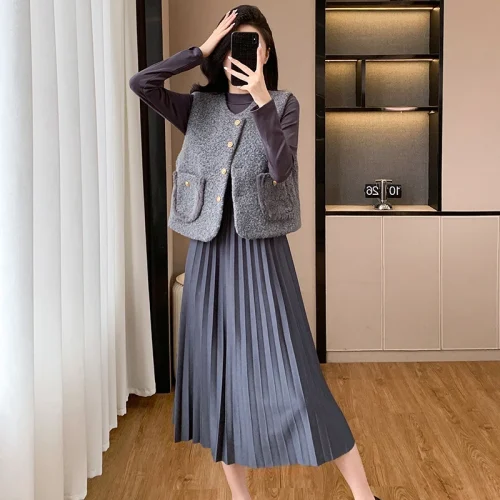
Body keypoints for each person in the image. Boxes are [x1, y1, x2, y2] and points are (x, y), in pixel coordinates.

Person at [129, 5, 382, 500]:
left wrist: (263, 99)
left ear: (266, 53)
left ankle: (364, 495)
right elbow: (142, 83)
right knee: (218, 380)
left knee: (298, 379)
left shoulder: (284, 105)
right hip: (209, 258)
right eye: (229, 47)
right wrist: (200, 49)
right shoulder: (197, 107)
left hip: (262, 258)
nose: (238, 55)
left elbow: (282, 168)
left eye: (250, 45)